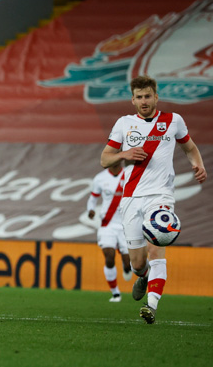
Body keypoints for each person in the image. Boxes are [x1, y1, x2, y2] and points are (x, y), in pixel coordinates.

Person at [100, 75, 206, 324]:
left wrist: (198, 164)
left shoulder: (173, 121)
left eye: (148, 96)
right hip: (131, 198)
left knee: (156, 248)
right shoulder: (124, 124)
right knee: (137, 263)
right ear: (133, 100)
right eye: (139, 97)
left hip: (160, 196)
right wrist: (124, 153)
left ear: (156, 97)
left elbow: (189, 147)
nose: (144, 101)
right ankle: (143, 275)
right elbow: (105, 159)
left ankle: (151, 305)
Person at [86, 163, 133, 302]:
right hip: (108, 224)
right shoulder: (100, 178)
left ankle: (127, 267)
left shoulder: (129, 174)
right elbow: (93, 198)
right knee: (109, 255)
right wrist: (91, 209)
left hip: (126, 224)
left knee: (128, 261)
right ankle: (115, 293)